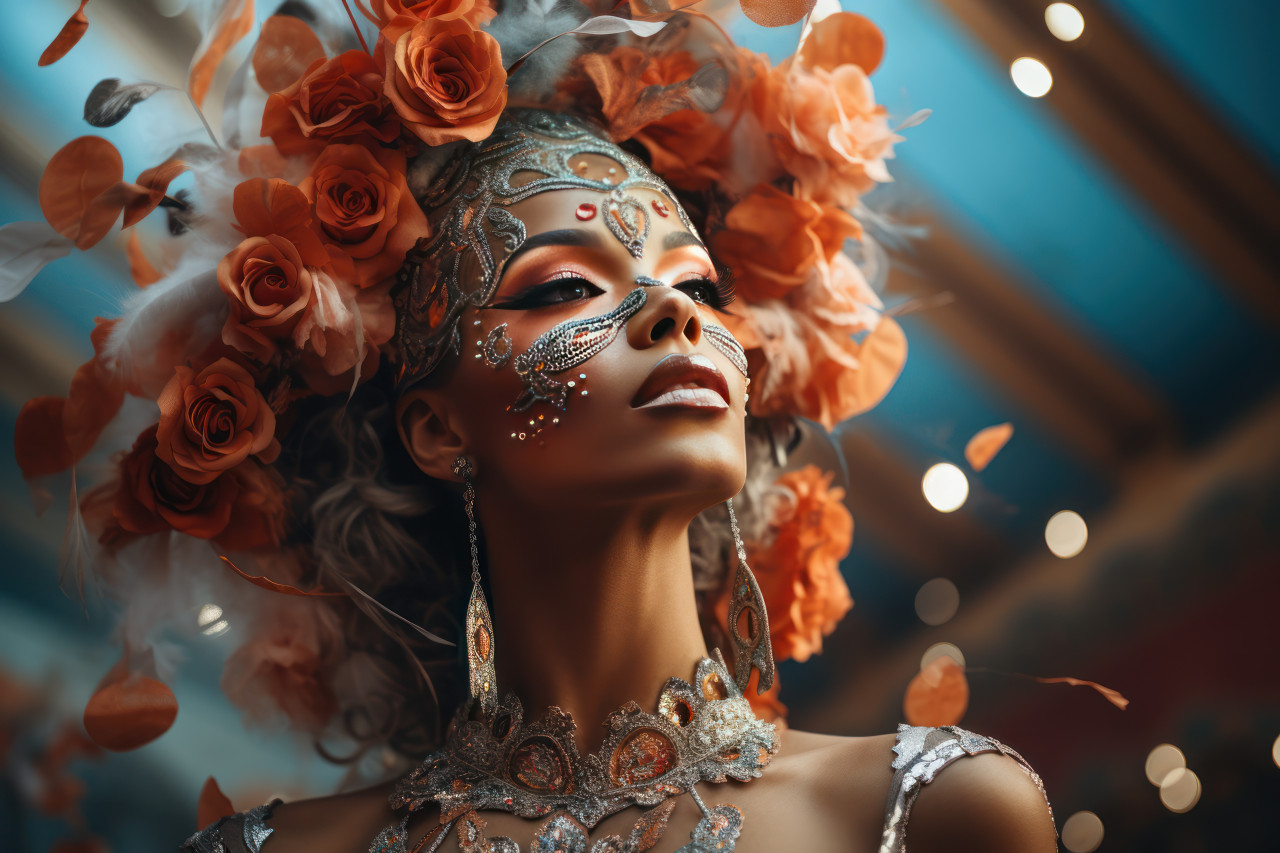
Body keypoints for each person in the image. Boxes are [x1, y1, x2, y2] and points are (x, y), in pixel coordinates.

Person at [11, 2, 1058, 851]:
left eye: (695, 281)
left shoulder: (936, 815)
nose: (674, 312)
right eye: (560, 287)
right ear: (433, 428)